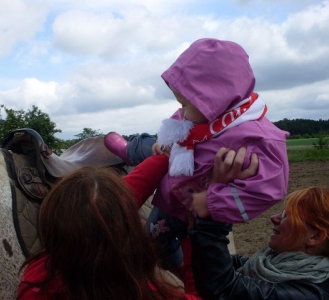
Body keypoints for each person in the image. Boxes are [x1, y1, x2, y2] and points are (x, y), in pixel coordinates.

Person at [104, 38, 289, 277]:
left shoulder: (259, 141)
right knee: (155, 147)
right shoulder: (199, 116)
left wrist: (211, 202)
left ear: (214, 100)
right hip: (177, 172)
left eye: (185, 104)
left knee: (154, 239)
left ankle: (175, 266)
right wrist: (167, 141)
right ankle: (130, 150)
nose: (181, 110)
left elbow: (269, 188)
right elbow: (179, 121)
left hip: (191, 207)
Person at [17, 154, 204, 300]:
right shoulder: (150, 294)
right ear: (128, 233)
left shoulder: (34, 283)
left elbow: (93, 215)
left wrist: (165, 156)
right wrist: (194, 237)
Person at [188, 161, 329, 298]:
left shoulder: (311, 293)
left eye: (287, 216)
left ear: (315, 236)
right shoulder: (269, 264)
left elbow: (224, 288)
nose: (274, 217)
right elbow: (222, 263)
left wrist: (218, 203)